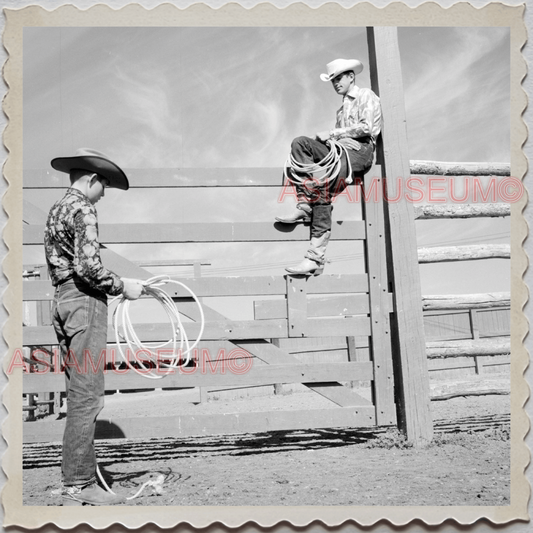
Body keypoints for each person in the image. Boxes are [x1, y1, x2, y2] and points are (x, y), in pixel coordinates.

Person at [44, 148, 145, 505]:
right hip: (85, 302)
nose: (103, 195)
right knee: (88, 395)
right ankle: (79, 482)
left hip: (62, 302)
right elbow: (89, 269)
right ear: (91, 180)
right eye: (104, 186)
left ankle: (77, 477)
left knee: (77, 393)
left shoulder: (56, 210)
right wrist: (123, 286)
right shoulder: (84, 208)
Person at [276, 58, 382, 275]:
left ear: (351, 76)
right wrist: (336, 141)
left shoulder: (366, 96)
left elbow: (368, 127)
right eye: (333, 80)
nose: (335, 83)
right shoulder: (340, 111)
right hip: (342, 149)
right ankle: (305, 203)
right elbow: (343, 137)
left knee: (324, 183)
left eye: (339, 78)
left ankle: (314, 257)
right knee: (300, 143)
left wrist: (335, 134)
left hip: (362, 151)